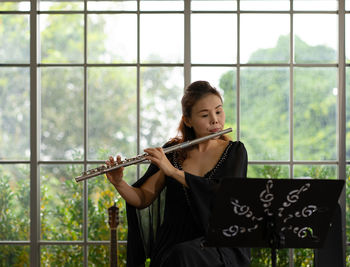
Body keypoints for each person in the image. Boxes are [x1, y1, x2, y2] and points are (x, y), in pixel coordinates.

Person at [105, 80, 250, 267]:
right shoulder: (172, 152)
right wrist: (119, 183)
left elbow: (223, 193)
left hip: (218, 243)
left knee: (184, 255)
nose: (215, 120)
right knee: (178, 254)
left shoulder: (235, 151)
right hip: (174, 242)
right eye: (205, 114)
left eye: (219, 111)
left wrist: (173, 172)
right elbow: (143, 198)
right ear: (188, 120)